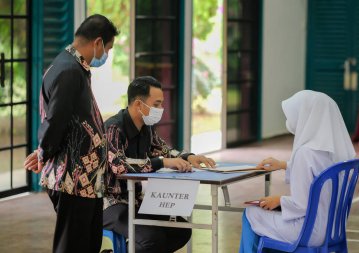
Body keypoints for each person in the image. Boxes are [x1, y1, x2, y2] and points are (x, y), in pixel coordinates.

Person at [23, 14, 119, 253]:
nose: (106, 54)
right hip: (73, 180)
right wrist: (43, 151)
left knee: (88, 243)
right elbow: (56, 120)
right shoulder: (69, 71)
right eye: (108, 48)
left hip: (86, 181)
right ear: (97, 43)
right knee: (73, 245)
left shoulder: (74, 67)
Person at [103, 76, 216, 253]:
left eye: (161, 104)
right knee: (151, 240)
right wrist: (162, 162)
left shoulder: (146, 128)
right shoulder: (114, 128)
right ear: (139, 105)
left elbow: (163, 151)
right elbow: (119, 166)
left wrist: (189, 157)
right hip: (110, 203)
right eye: (156, 104)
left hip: (135, 200)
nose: (160, 109)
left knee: (181, 231)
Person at [239, 90, 356, 252]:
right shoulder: (330, 152)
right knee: (265, 218)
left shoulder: (304, 154)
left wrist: (278, 200)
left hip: (308, 232)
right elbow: (317, 173)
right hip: (331, 229)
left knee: (251, 213)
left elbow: (300, 204)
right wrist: (282, 164)